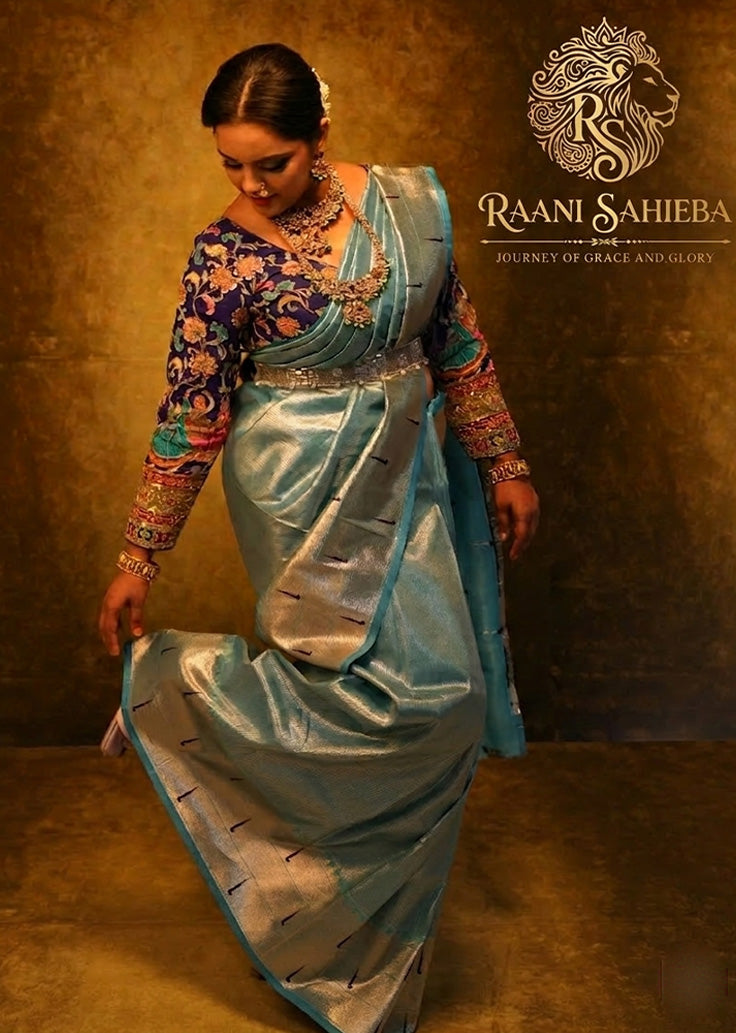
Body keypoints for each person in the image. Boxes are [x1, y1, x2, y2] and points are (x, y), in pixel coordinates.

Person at [98, 42, 539, 1033]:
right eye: (231, 165)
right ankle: (174, 687)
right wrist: (139, 558)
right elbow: (192, 414)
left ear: (320, 135)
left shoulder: (407, 207)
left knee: (442, 699)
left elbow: (455, 340)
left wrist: (502, 459)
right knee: (335, 689)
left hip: (408, 468)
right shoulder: (223, 256)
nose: (251, 185)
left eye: (274, 163)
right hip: (297, 489)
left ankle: (349, 929)